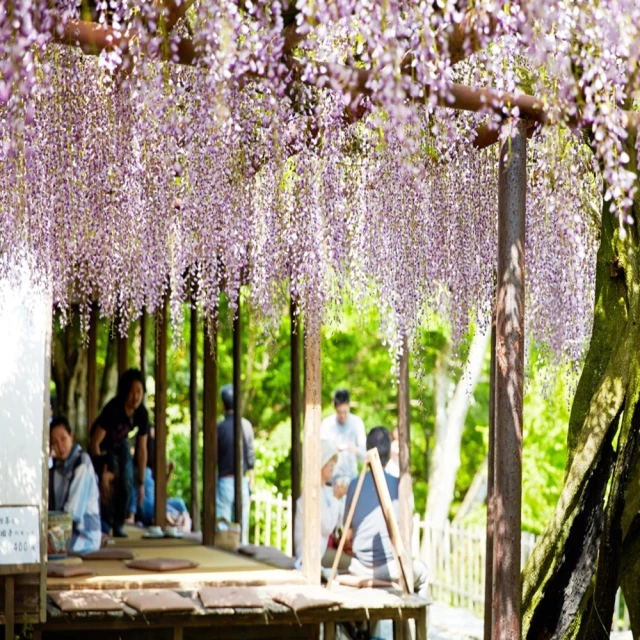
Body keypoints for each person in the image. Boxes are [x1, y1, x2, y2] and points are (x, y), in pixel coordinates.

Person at [344, 426, 428, 594]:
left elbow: (348, 536)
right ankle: (413, 619)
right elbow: (407, 532)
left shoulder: (354, 484)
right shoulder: (400, 485)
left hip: (359, 566)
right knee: (423, 572)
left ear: (367, 451)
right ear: (389, 454)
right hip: (390, 567)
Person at [89, 368, 149, 538]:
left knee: (127, 480)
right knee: (108, 484)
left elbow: (142, 448)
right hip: (103, 449)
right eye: (132, 392)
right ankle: (105, 524)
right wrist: (102, 469)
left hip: (120, 445)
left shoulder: (142, 414)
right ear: (124, 392)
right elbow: (95, 442)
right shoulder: (114, 408)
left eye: (139, 391)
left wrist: (142, 483)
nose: (136, 396)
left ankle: (119, 524)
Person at [293, 439, 349, 570]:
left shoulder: (325, 490)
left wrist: (340, 498)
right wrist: (336, 497)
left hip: (323, 550)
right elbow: (327, 527)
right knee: (352, 564)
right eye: (329, 462)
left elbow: (339, 522)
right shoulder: (312, 492)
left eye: (333, 462)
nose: (332, 466)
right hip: (313, 555)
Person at [49, 416, 101, 554]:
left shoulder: (82, 462)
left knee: (39, 548)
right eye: (55, 442)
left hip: (85, 535)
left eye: (63, 439)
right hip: (61, 532)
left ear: (71, 436)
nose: (60, 446)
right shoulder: (55, 470)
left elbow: (72, 513)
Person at [127, 427, 192, 532]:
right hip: (145, 505)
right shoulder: (140, 469)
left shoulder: (153, 467)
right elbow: (134, 491)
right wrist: (131, 515)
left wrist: (170, 472)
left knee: (179, 502)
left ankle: (181, 522)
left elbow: (161, 490)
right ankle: (177, 521)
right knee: (164, 508)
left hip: (156, 501)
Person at [216, 384, 255, 545]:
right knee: (243, 527)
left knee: (222, 526)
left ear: (223, 405)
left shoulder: (219, 428)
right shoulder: (246, 426)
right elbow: (251, 457)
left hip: (225, 480)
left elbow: (214, 458)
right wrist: (251, 482)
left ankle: (224, 551)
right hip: (242, 481)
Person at [320, 389, 366, 483]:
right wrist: (333, 450)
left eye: (345, 412)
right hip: (332, 481)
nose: (342, 415)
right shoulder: (327, 424)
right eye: (339, 412)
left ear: (349, 406)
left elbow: (365, 455)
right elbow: (321, 454)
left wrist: (355, 450)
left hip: (352, 479)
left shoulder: (357, 423)